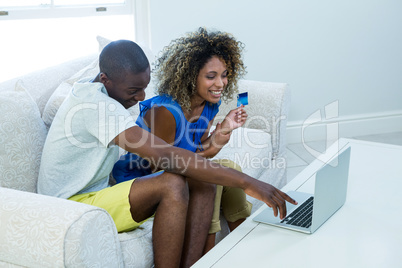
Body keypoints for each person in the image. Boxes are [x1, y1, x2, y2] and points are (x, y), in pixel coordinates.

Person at [37, 39, 296, 268]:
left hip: (95, 194)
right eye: (132, 91)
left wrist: (218, 145)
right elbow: (166, 158)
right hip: (69, 209)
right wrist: (249, 182)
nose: (140, 98)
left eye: (144, 88)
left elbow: (188, 151)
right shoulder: (97, 107)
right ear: (105, 79)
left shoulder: (95, 91)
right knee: (173, 182)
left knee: (204, 180)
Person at [112, 27, 252, 253]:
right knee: (208, 179)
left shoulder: (210, 105)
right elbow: (163, 170)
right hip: (146, 183)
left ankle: (246, 248)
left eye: (224, 74)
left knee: (230, 171)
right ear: (190, 76)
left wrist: (223, 130)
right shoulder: (165, 112)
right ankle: (203, 260)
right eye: (211, 76)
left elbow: (197, 149)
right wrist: (215, 145)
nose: (221, 84)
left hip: (177, 172)